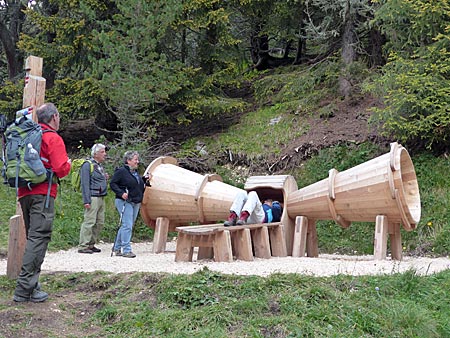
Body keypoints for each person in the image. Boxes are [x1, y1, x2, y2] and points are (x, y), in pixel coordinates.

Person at [13, 103, 71, 303]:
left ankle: (32, 285)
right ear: (54, 117)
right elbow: (61, 168)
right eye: (59, 116)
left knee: (33, 239)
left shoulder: (28, 135)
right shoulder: (52, 138)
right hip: (43, 194)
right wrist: (69, 164)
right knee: (39, 239)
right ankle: (24, 289)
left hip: (24, 192)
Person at [109, 151, 147, 258]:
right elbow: (113, 183)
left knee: (127, 225)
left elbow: (135, 184)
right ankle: (126, 250)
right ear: (128, 161)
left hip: (135, 201)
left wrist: (144, 180)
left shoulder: (135, 172)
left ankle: (117, 248)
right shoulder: (121, 171)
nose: (137, 162)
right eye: (135, 159)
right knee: (127, 225)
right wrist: (121, 193)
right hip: (125, 201)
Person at [78, 143, 108, 254]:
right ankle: (83, 245)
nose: (105, 154)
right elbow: (85, 183)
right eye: (102, 152)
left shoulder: (99, 166)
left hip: (101, 197)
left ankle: (91, 244)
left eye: (104, 151)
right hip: (92, 197)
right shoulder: (87, 165)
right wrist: (86, 200)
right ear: (95, 154)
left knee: (99, 222)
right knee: (89, 221)